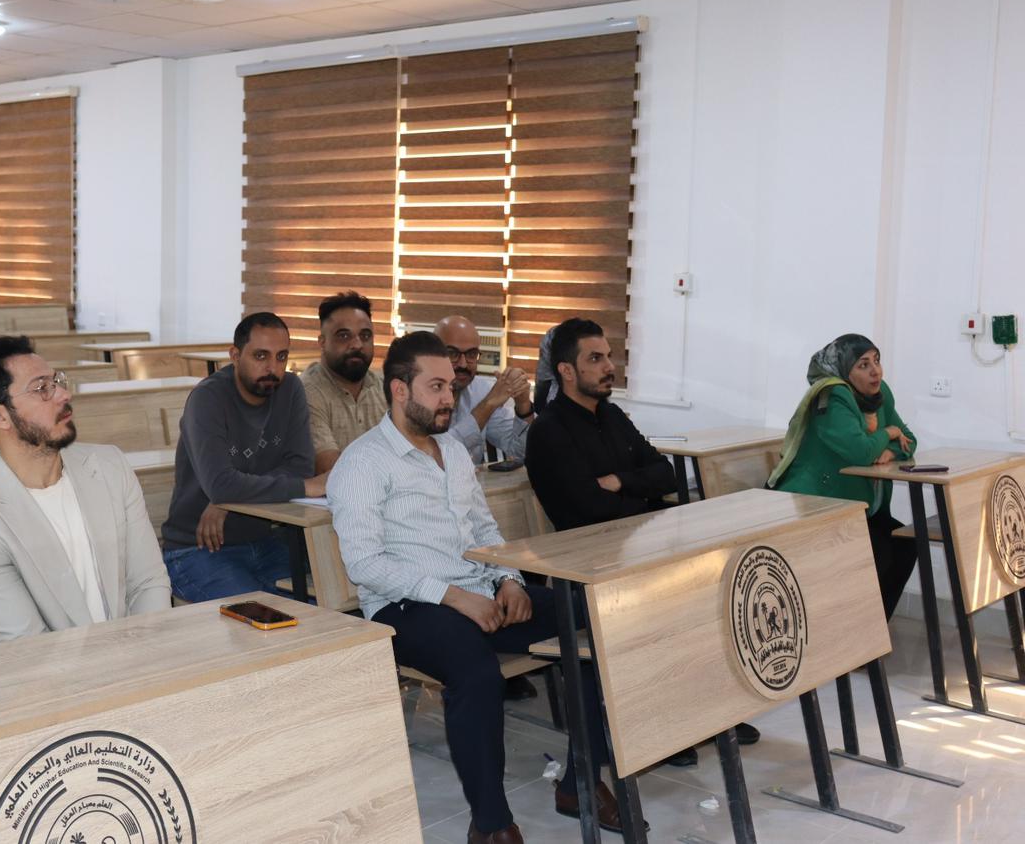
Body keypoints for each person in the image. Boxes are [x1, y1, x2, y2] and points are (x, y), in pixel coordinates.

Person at [329, 332, 638, 842]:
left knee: (591, 617)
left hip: (479, 590)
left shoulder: (452, 451)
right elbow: (365, 564)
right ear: (400, 390)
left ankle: (581, 782)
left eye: (451, 387)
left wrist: (510, 579)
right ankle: (491, 824)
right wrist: (455, 598)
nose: (449, 398)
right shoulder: (363, 463)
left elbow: (484, 530)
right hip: (406, 608)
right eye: (436, 387)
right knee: (475, 673)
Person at [525, 317, 761, 765]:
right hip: (590, 563)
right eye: (596, 359)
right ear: (567, 371)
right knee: (662, 610)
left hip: (639, 547)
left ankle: (708, 713)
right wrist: (637, 493)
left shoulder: (611, 416)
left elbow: (665, 473)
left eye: (609, 356)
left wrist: (619, 481)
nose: (609, 367)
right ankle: (662, 727)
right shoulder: (549, 431)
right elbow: (587, 508)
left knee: (710, 594)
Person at [0, 336, 170, 643]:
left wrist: (147, 654)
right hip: (54, 672)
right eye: (41, 388)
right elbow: (28, 645)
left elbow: (148, 583)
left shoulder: (109, 467)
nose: (63, 394)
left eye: (57, 381)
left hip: (143, 656)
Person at [162, 312, 323, 601]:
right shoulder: (207, 398)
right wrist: (302, 488)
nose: (272, 368)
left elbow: (300, 466)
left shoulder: (290, 389)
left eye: (281, 357)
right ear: (235, 356)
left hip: (265, 541)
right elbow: (221, 484)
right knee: (270, 617)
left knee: (321, 607)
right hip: (197, 549)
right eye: (261, 356)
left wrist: (228, 500)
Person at [768, 333, 917, 619]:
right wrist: (888, 433)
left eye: (876, 361)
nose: (875, 371)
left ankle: (872, 630)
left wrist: (890, 451)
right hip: (817, 505)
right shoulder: (832, 396)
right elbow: (861, 452)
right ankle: (850, 629)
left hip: (857, 506)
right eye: (863, 365)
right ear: (844, 369)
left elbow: (909, 439)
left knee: (905, 545)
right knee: (878, 552)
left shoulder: (879, 394)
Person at [301, 291, 387, 475]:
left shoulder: (385, 387)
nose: (357, 345)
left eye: (365, 336)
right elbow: (332, 470)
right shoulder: (306, 392)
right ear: (322, 342)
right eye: (344, 336)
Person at [435, 315, 533, 465]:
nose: (463, 364)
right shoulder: (415, 394)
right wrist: (488, 405)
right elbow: (438, 454)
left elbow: (520, 451)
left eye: (471, 354)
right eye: (452, 354)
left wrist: (523, 405)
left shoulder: (481, 389)